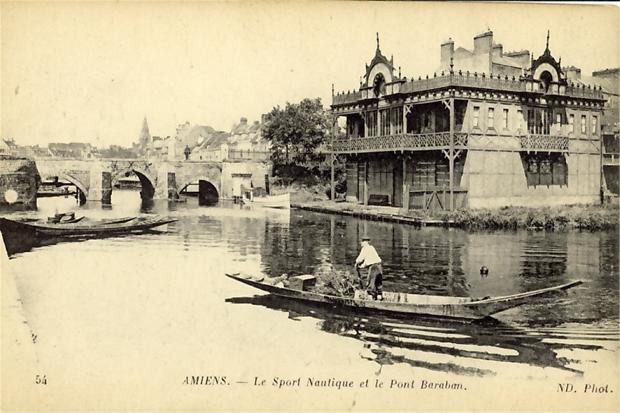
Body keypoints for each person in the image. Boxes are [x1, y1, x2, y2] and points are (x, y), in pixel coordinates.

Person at [355, 236, 383, 300]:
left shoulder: (365, 248)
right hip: (379, 266)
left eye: (362, 242)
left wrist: (356, 263)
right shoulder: (371, 248)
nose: (361, 243)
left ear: (365, 242)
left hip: (373, 267)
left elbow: (360, 259)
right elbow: (368, 260)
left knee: (371, 282)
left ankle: (370, 299)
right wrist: (361, 266)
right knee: (378, 283)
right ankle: (379, 297)